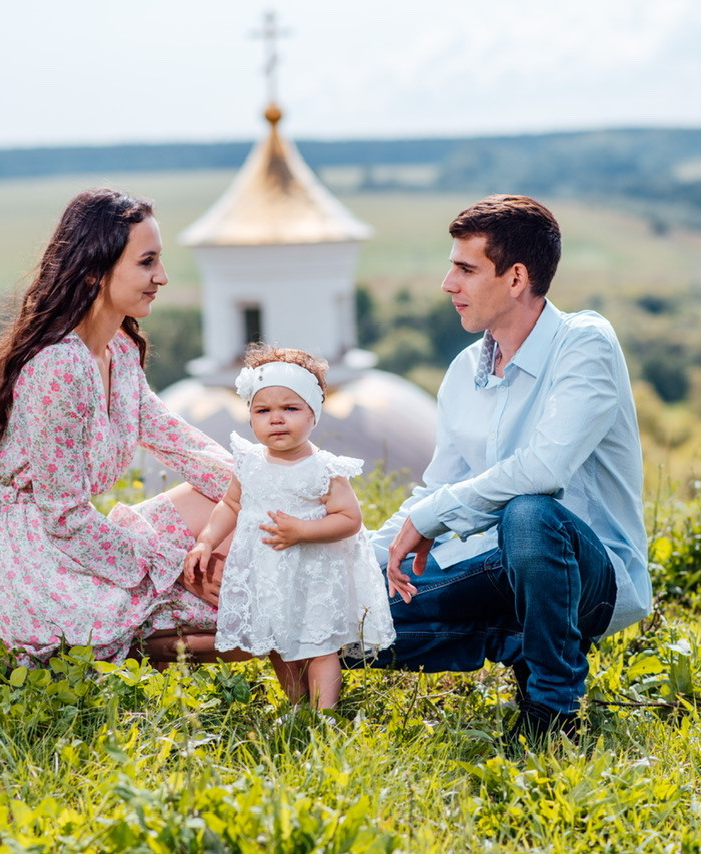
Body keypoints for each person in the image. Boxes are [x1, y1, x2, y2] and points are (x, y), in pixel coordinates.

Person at [358, 194, 651, 744]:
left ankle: (553, 711)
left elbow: (545, 468)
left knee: (530, 515)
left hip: (587, 574)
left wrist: (436, 514)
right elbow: (439, 487)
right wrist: (361, 562)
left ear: (516, 278)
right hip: (492, 571)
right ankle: (517, 641)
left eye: (465, 269)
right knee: (352, 627)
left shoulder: (584, 343)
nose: (448, 284)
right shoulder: (464, 370)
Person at [0, 188, 244, 665]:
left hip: (74, 535)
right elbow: (64, 517)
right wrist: (174, 569)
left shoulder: (120, 350)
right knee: (245, 625)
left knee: (233, 503)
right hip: (38, 556)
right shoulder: (59, 368)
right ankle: (93, 651)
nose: (162, 277)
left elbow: (184, 447)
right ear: (96, 269)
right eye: (147, 262)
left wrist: (275, 491)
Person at [184, 345, 397, 709]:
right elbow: (231, 504)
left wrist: (302, 531)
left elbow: (349, 519)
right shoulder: (249, 463)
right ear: (250, 418)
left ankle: (323, 713)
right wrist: (206, 540)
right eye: (263, 410)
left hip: (313, 574)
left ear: (314, 415)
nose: (276, 419)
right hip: (268, 575)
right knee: (279, 646)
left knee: (318, 647)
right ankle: (298, 707)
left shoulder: (323, 470)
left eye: (290, 408)